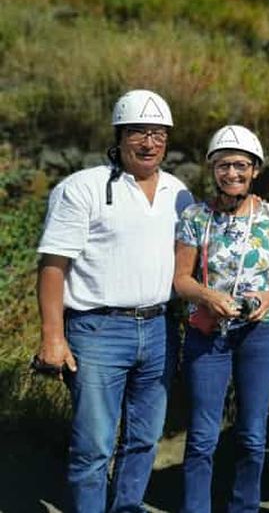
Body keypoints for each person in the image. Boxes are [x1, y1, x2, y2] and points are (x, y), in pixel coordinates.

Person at [35, 90, 193, 512]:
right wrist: (53, 337)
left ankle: (126, 507)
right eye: (139, 132)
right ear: (120, 136)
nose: (149, 142)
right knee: (94, 445)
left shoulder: (179, 194)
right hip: (97, 330)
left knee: (144, 439)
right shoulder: (81, 188)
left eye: (158, 133)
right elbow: (53, 266)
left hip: (159, 329)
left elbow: (189, 267)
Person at [173, 125, 269, 513]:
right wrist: (208, 296)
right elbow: (181, 280)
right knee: (203, 436)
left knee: (253, 435)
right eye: (224, 165)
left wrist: (268, 297)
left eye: (241, 165)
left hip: (259, 331)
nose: (232, 173)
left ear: (255, 169)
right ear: (212, 169)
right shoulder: (195, 217)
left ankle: (245, 507)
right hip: (208, 334)